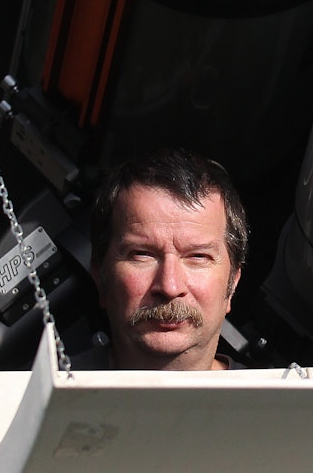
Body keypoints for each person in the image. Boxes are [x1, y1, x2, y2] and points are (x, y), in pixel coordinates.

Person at [82, 148, 248, 370]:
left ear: (232, 283)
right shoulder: (28, 400)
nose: (170, 287)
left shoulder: (282, 405)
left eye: (198, 256)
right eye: (142, 254)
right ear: (99, 276)